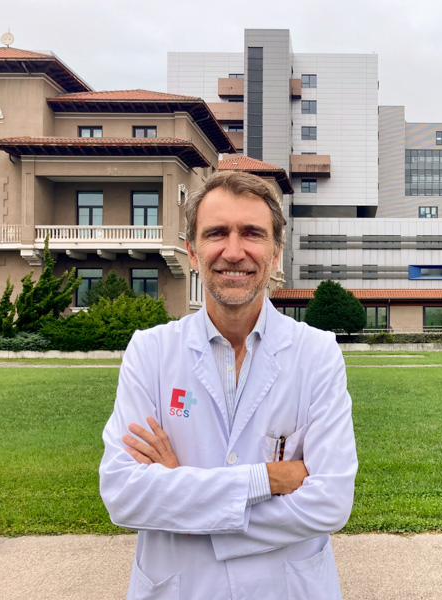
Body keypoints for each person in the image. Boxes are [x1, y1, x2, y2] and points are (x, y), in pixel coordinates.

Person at [99, 171, 357, 600]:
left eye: (252, 234)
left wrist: (181, 492)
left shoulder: (318, 353)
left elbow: (331, 500)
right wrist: (268, 480)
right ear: (192, 252)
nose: (234, 251)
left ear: (275, 253)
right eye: (216, 232)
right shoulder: (151, 352)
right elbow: (124, 495)